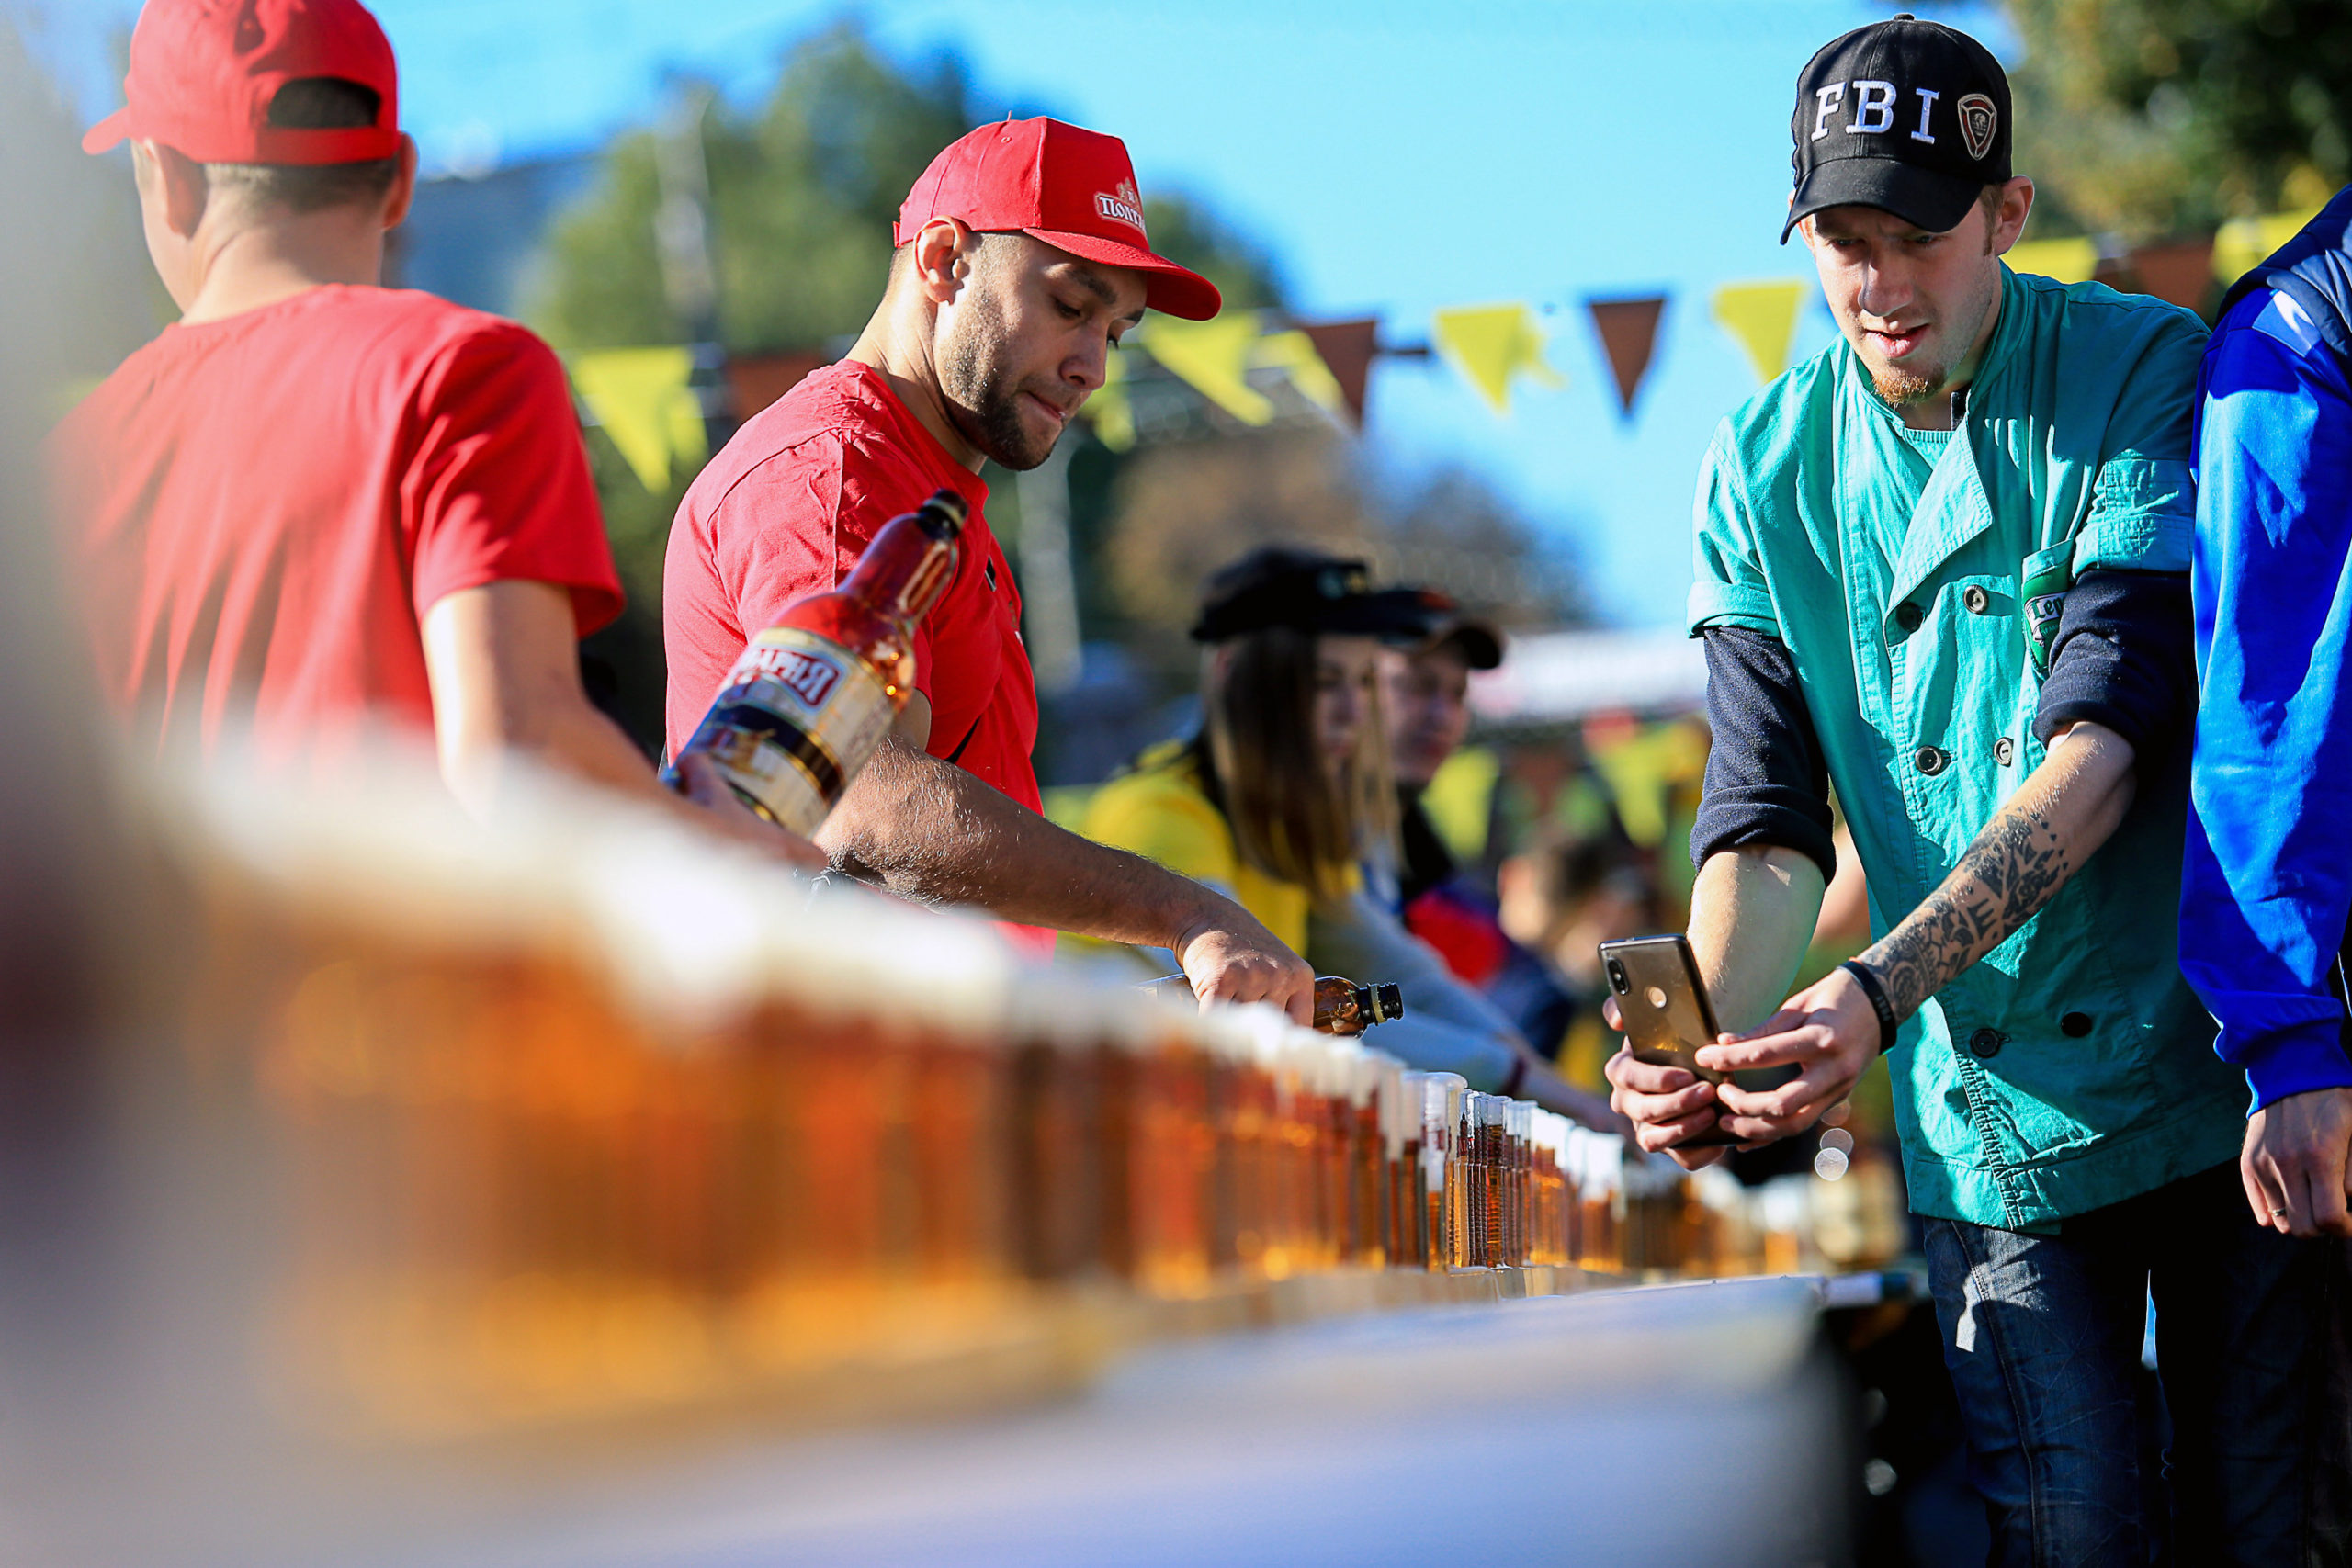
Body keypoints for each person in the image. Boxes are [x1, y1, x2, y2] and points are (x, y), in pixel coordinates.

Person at [1604, 17, 2337, 1561]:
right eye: (1840, 240)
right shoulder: (1758, 462)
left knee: (2263, 1528)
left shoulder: (2144, 364)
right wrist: (1711, 1035)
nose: (1877, 284)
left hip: (2211, 1073)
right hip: (1985, 1123)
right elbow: (1762, 814)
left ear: (2008, 215)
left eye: (1918, 237)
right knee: (2071, 1534)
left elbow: (2111, 739)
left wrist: (1871, 991)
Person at [47, 0, 810, 865]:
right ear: (400, 181)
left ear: (167, 178)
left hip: (116, 997)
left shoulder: (54, 464)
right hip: (385, 991)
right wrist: (727, 846)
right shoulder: (464, 373)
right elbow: (517, 760)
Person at [663, 117, 1311, 1018]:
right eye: (1071, 306)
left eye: (1116, 333)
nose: (1091, 365)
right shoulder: (838, 470)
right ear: (943, 259)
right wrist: (1185, 911)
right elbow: (868, 804)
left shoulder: (930, 496)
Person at [1082, 547, 1616, 1126]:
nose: (1350, 711)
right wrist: (1530, 1083)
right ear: (1233, 676)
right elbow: (1268, 1015)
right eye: (1322, 681)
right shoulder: (1155, 811)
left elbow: (1408, 981)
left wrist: (1556, 1089)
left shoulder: (1288, 834)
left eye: (1362, 682)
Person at [1380, 604, 1580, 1057]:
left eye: (1457, 694)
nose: (1442, 715)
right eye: (1418, 685)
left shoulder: (1410, 834)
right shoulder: (1305, 822)